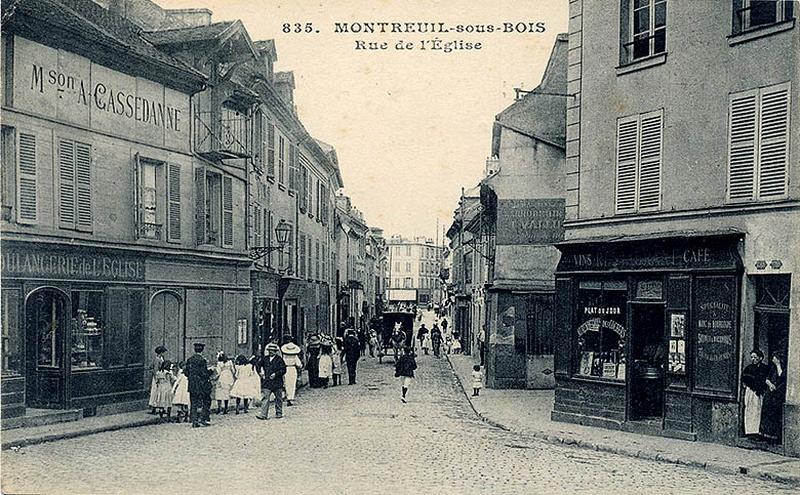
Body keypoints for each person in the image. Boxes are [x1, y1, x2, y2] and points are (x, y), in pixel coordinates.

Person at [760, 351, 786, 443]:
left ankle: (774, 437)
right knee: (766, 412)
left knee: (774, 414)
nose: (773, 360)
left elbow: (781, 376)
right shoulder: (772, 368)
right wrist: (770, 384)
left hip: (778, 394)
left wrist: (778, 365)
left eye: (774, 358)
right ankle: (765, 435)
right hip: (770, 393)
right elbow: (767, 378)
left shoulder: (783, 368)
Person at [741, 349, 768, 436]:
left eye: (755, 357)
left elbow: (765, 380)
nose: (753, 359)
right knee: (750, 409)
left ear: (760, 358)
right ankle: (750, 430)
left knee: (758, 410)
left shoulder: (765, 368)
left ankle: (757, 430)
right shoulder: (748, 368)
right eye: (752, 357)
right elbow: (744, 380)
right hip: (751, 392)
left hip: (760, 392)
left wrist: (761, 388)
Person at [257, 343, 286, 420]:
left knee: (278, 398)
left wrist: (276, 374)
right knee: (265, 398)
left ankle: (279, 413)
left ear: (276, 351)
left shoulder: (279, 360)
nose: (270, 352)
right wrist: (260, 373)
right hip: (267, 382)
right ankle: (263, 415)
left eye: (272, 351)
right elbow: (258, 365)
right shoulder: (264, 359)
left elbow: (283, 370)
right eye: (269, 350)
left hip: (277, 382)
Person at [185, 342, 212, 427]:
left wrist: (191, 378)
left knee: (194, 402)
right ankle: (203, 419)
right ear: (202, 350)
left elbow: (186, 372)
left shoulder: (190, 359)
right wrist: (210, 372)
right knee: (204, 402)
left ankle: (194, 421)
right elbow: (204, 374)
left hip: (192, 384)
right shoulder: (202, 360)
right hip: (201, 385)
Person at [281, 336, 303, 405]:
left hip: (285, 369)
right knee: (292, 384)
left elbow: (282, 362)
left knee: (286, 383)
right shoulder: (295, 356)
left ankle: (287, 396)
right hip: (292, 369)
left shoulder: (284, 356)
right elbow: (299, 364)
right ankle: (290, 398)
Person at [148, 346, 168, 414]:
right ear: (161, 352)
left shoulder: (161, 358)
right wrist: (157, 378)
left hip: (159, 377)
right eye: (163, 352)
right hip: (157, 378)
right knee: (156, 392)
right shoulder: (157, 359)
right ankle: (154, 407)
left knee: (159, 393)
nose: (164, 353)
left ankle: (158, 407)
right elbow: (155, 369)